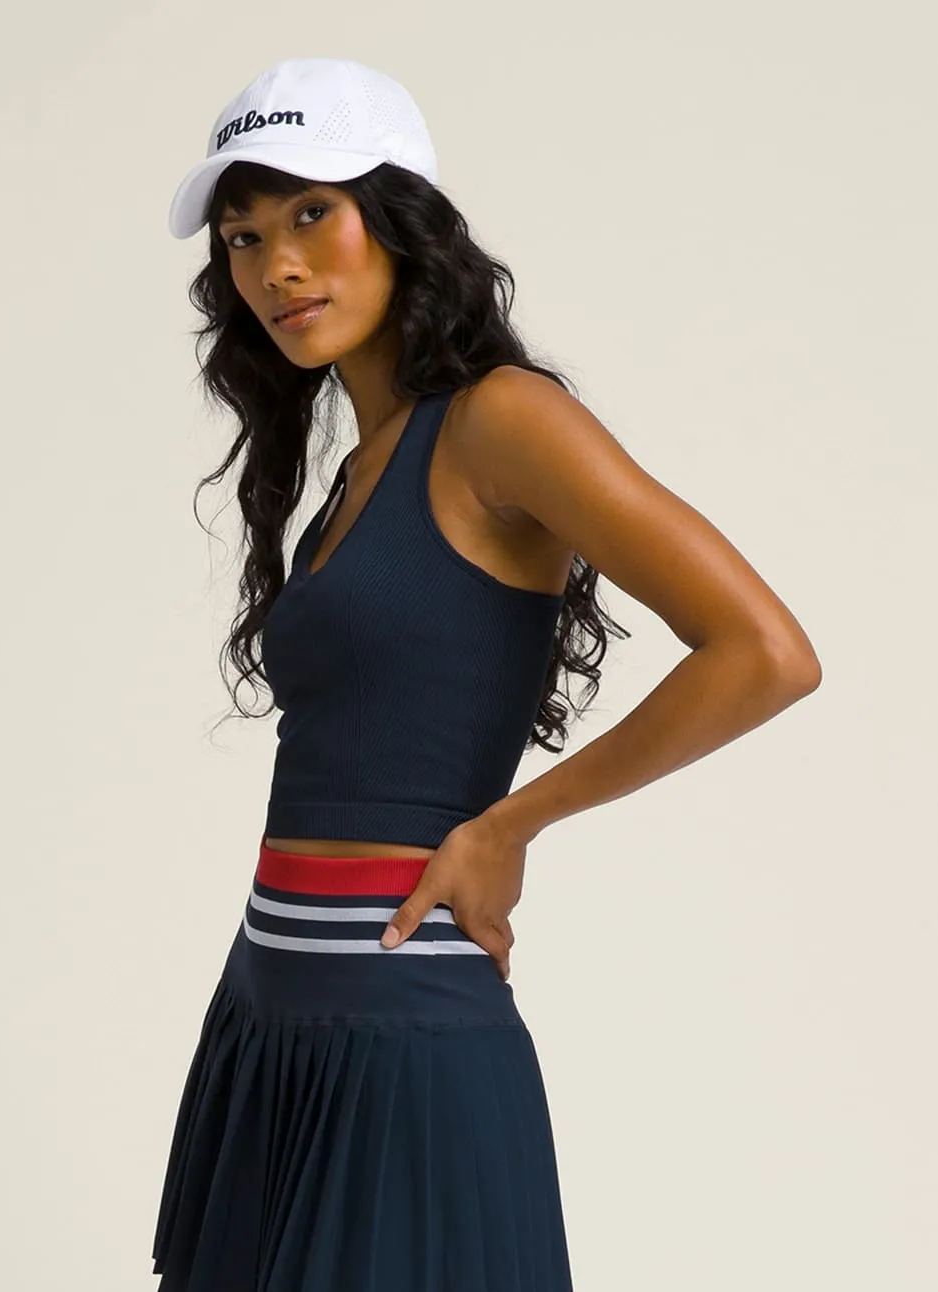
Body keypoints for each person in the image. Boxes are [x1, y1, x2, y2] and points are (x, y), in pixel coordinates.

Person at [150, 55, 822, 1292]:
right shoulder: (358, 467)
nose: (276, 266)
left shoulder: (501, 419)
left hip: (404, 1038)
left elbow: (766, 653)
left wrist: (511, 824)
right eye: (244, 237)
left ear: (400, 217)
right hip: (269, 1012)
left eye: (311, 214)